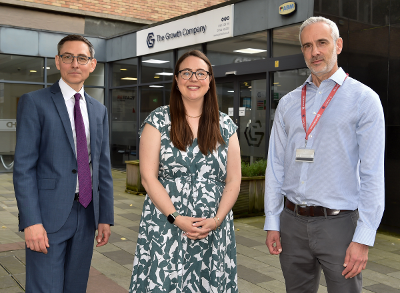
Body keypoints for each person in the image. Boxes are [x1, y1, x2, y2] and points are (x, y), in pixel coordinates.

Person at [264, 16, 385, 293]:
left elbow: (372, 173)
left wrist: (364, 238)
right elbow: (276, 166)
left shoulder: (364, 100)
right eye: (307, 45)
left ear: (338, 45)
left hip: (340, 226)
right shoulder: (288, 103)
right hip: (292, 223)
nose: (314, 52)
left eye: (322, 43)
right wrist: (273, 221)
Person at [129, 50, 241, 292]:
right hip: (166, 225)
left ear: (209, 80)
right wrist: (176, 219)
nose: (193, 78)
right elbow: (148, 178)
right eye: (186, 72)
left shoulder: (226, 125)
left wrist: (216, 220)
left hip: (213, 228)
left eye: (201, 73)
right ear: (177, 80)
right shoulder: (157, 121)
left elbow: (233, 180)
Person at [13, 35, 114, 293]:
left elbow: (102, 167)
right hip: (47, 216)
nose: (74, 64)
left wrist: (105, 217)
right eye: (68, 57)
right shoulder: (34, 102)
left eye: (82, 58)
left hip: (87, 213)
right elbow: (23, 168)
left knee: (76, 287)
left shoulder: (98, 110)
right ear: (58, 62)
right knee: (45, 288)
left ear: (92, 64)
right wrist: (31, 221)